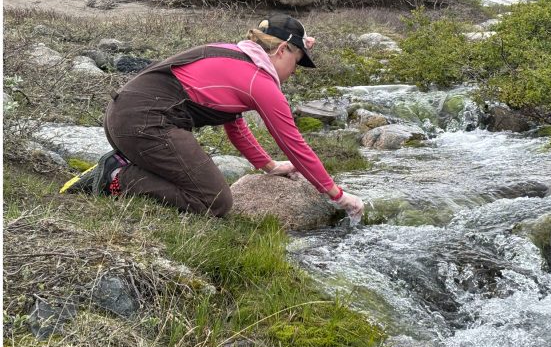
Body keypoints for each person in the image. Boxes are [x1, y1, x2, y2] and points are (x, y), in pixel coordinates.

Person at [61, 14, 364, 221]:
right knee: (214, 202)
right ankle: (118, 176)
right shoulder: (259, 80)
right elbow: (295, 145)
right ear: (283, 50)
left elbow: (235, 124)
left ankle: (126, 163)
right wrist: (339, 196)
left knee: (195, 182)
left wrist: (268, 166)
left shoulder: (235, 56)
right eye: (297, 62)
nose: (295, 72)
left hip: (125, 120)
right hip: (145, 124)